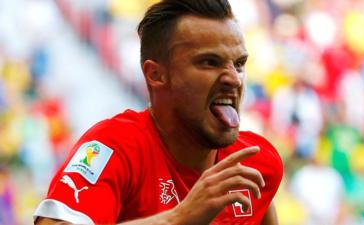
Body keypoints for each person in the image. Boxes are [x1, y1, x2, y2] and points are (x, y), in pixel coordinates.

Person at [33, 0, 283, 224]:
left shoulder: (257, 165)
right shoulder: (114, 147)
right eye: (209, 62)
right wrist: (179, 217)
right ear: (156, 75)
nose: (234, 79)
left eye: (239, 64)